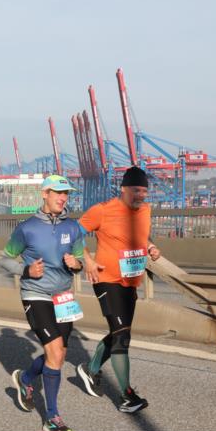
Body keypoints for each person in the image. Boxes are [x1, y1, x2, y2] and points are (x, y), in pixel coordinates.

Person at [0, 175, 84, 431]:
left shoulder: (73, 227)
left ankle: (25, 379)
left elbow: (79, 260)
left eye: (66, 193)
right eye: (58, 192)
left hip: (63, 296)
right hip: (35, 294)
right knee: (55, 352)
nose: (63, 198)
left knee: (59, 354)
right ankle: (52, 416)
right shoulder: (27, 228)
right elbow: (4, 259)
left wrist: (77, 264)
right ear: (45, 194)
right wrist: (26, 270)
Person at [76, 166, 162, 413]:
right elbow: (73, 234)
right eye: (136, 190)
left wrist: (150, 246)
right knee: (122, 336)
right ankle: (127, 397)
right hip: (107, 279)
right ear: (123, 189)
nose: (141, 195)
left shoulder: (145, 210)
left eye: (144, 191)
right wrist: (87, 260)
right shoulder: (103, 210)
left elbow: (141, 235)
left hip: (130, 282)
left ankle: (90, 370)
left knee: (119, 333)